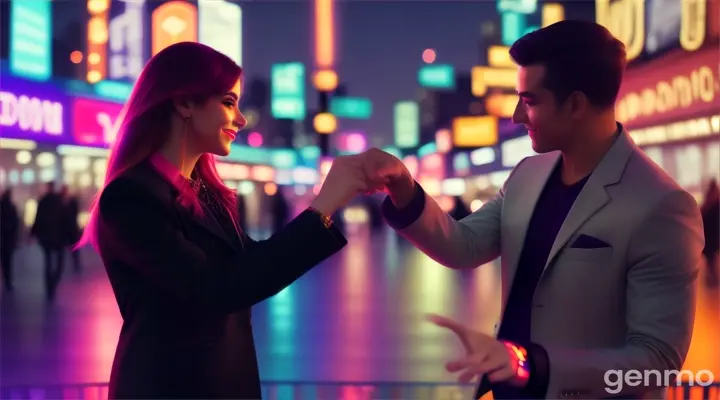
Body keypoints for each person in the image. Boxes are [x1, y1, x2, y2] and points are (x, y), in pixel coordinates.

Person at [363, 21, 704, 399]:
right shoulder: (528, 174)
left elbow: (656, 365)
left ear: (575, 104)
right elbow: (465, 244)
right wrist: (403, 190)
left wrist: (531, 365)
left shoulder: (661, 205)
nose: (515, 116)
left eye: (529, 101)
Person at [76, 42, 378, 399]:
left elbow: (251, 266)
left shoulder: (209, 193)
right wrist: (323, 205)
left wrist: (326, 207)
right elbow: (218, 288)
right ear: (184, 102)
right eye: (228, 102)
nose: (241, 119)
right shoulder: (130, 198)